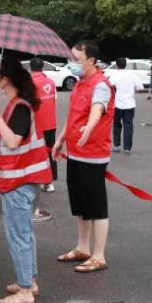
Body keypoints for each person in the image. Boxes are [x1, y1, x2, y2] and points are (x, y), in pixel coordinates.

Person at [0, 60, 52, 303]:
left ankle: (25, 289)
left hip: (18, 180)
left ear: (6, 79)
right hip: (23, 179)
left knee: (18, 235)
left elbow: (13, 141)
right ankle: (29, 280)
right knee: (24, 233)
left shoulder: (20, 106)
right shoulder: (17, 105)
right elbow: (10, 135)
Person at [51, 40, 115, 274]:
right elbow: (74, 116)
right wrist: (60, 139)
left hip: (93, 154)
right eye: (71, 58)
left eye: (76, 60)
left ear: (91, 61)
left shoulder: (101, 85)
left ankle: (99, 255)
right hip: (76, 152)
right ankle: (83, 247)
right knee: (80, 205)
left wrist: (90, 128)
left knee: (96, 206)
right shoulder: (80, 84)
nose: (72, 64)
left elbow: (97, 109)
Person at [29, 57, 58, 194]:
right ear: (42, 68)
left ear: (30, 68)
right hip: (51, 123)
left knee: (37, 154)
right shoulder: (51, 82)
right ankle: (50, 181)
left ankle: (42, 180)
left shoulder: (31, 83)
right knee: (50, 152)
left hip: (37, 125)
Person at [108, 57, 144, 154]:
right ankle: (127, 147)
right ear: (125, 64)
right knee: (128, 125)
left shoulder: (115, 75)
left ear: (116, 65)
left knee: (116, 124)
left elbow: (109, 85)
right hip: (130, 104)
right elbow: (140, 87)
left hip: (118, 104)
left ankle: (116, 145)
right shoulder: (132, 75)